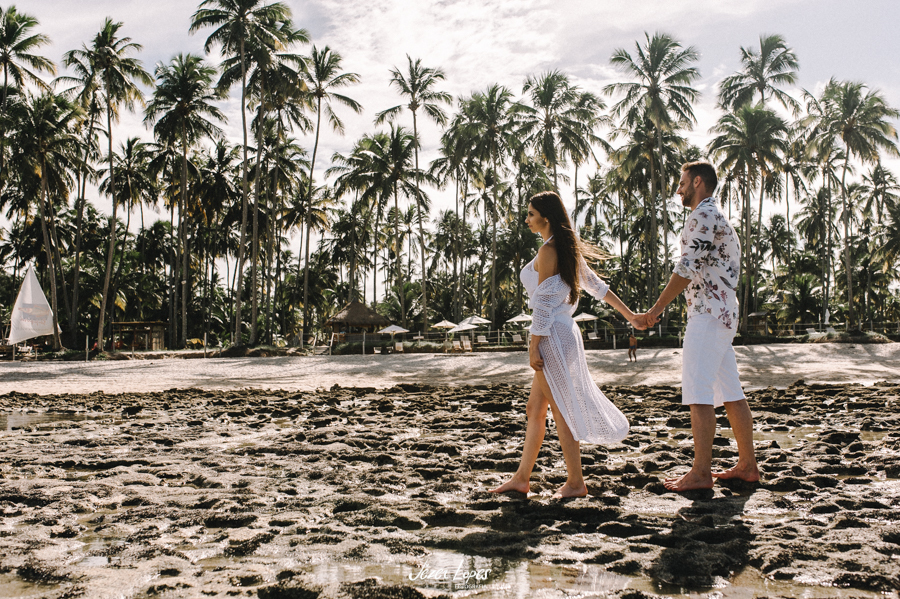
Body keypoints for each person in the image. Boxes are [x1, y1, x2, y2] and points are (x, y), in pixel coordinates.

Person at [490, 191, 641, 499]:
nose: (527, 218)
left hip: (552, 336)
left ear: (545, 218)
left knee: (560, 408)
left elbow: (544, 303)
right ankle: (521, 478)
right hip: (562, 333)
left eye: (531, 213)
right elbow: (599, 288)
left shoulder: (550, 251)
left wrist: (534, 345)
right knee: (536, 408)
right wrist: (631, 315)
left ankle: (575, 482)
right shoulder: (564, 249)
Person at [636, 161, 760, 492]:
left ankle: (701, 473)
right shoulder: (715, 217)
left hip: (708, 314)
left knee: (698, 392)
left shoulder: (703, 216)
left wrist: (656, 308)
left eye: (682, 182)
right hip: (719, 312)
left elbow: (688, 267)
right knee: (731, 392)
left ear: (698, 182)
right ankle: (748, 466)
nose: (677, 189)